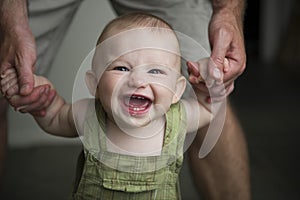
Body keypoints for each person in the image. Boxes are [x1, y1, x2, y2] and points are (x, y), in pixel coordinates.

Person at [0, 0, 250, 199]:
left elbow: (210, 109)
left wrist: (210, 84)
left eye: (155, 71)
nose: (138, 80)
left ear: (177, 89)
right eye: (121, 68)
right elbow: (54, 116)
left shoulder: (180, 117)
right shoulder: (89, 114)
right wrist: (43, 102)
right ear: (94, 84)